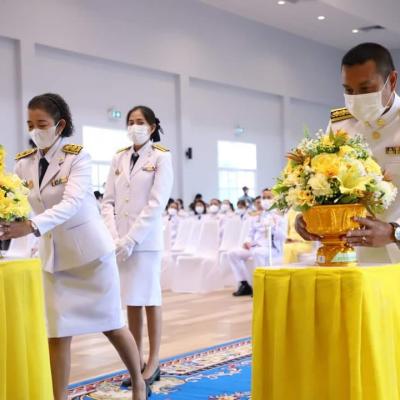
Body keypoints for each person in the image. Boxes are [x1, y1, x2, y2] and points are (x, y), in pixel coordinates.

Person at [0, 93, 148, 400]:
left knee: (112, 325)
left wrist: (31, 226)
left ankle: (138, 381)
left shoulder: (77, 157)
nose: (35, 130)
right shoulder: (23, 163)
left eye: (41, 124)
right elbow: (18, 202)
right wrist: (8, 216)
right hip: (55, 259)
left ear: (60, 125)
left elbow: (71, 203)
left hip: (91, 256)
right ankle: (59, 397)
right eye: (30, 124)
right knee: (57, 333)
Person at [295, 43, 400, 263]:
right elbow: (324, 182)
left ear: (391, 81)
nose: (356, 98)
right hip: (352, 257)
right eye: (349, 91)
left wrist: (394, 232)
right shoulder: (340, 125)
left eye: (365, 89)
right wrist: (309, 214)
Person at [101, 105, 173, 388]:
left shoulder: (161, 157)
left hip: (145, 241)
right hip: (120, 242)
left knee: (150, 298)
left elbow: (157, 203)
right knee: (131, 300)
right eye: (130, 121)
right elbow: (107, 200)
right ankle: (136, 360)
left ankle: (154, 361)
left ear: (152, 127)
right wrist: (114, 237)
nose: (134, 126)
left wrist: (132, 238)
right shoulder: (118, 157)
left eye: (140, 121)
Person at [227, 190, 286, 296]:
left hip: (271, 248)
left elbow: (283, 236)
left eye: (269, 197)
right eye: (264, 198)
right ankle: (244, 284)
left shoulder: (279, 216)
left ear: (275, 200)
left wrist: (273, 227)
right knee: (232, 253)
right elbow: (250, 233)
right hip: (255, 247)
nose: (265, 200)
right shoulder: (257, 216)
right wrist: (247, 242)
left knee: (257, 253)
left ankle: (261, 286)